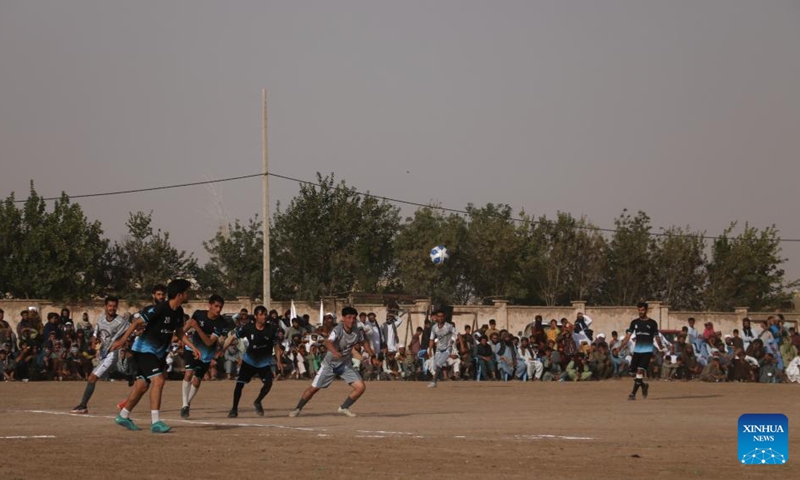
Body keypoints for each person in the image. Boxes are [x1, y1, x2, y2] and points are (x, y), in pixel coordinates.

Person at [110, 279, 198, 433]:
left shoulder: (178, 312)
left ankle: (123, 416)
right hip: (144, 350)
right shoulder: (160, 309)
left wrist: (192, 347)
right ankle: (156, 422)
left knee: (142, 385)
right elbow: (136, 322)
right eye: (187, 291)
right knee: (159, 380)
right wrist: (122, 340)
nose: (188, 294)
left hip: (159, 352)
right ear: (179, 294)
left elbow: (179, 332)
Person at [288, 306, 375, 418]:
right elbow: (328, 342)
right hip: (330, 365)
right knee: (313, 389)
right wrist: (334, 352)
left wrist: (372, 355)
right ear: (343, 318)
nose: (352, 320)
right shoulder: (337, 330)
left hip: (344, 365)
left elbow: (364, 342)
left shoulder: (357, 331)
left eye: (354, 318)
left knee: (361, 387)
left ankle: (344, 407)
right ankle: (297, 408)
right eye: (349, 317)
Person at [70, 297, 129, 414]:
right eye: (110, 306)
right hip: (103, 353)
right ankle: (131, 378)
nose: (112, 308)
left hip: (113, 354)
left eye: (114, 306)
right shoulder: (101, 320)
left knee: (92, 377)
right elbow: (96, 334)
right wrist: (94, 342)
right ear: (105, 307)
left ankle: (83, 406)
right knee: (110, 375)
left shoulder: (121, 322)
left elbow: (131, 330)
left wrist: (122, 342)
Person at [222, 305, 283, 418]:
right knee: (239, 385)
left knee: (268, 384)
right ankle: (234, 409)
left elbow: (276, 345)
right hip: (249, 362)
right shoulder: (247, 327)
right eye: (261, 314)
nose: (264, 317)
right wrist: (223, 349)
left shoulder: (272, 329)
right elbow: (233, 337)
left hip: (264, 363)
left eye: (265, 314)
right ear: (255, 316)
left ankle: (258, 401)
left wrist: (279, 361)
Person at [180, 294, 226, 418]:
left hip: (206, 354)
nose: (218, 309)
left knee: (197, 380)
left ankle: (187, 404)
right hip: (192, 349)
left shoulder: (221, 323)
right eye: (216, 306)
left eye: (220, 307)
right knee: (188, 373)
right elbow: (190, 323)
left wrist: (197, 327)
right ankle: (184, 405)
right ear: (210, 305)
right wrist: (180, 334)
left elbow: (209, 342)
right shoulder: (199, 314)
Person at [617, 302, 662, 400]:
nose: (640, 312)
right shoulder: (634, 322)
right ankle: (644, 385)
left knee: (639, 371)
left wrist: (661, 347)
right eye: (639, 310)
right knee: (632, 372)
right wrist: (620, 347)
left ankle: (632, 394)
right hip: (637, 351)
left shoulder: (652, 323)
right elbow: (627, 337)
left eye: (642, 310)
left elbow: (657, 337)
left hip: (647, 351)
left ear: (646, 310)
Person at [426, 309, 457, 388]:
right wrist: (429, 350)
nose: (440, 318)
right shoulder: (434, 327)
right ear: (436, 317)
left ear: (444, 317)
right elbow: (431, 339)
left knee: (439, 364)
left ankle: (434, 382)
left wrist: (452, 341)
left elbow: (456, 334)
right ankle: (436, 379)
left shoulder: (448, 326)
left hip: (447, 349)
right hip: (438, 349)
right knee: (434, 367)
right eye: (439, 316)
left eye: (442, 316)